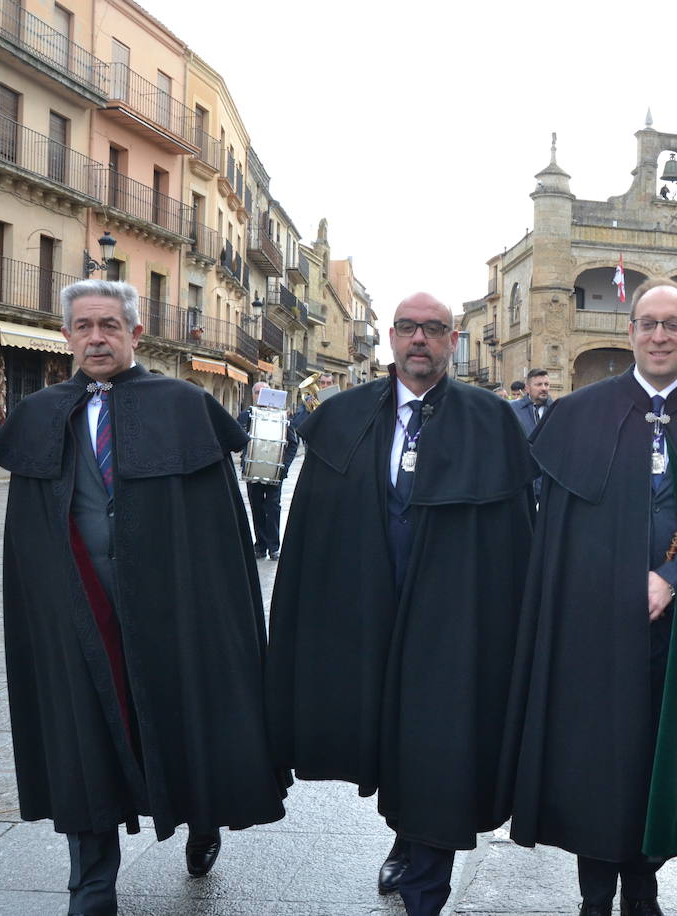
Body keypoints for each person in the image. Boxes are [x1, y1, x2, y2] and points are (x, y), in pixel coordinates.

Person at [0, 279, 287, 916]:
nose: (97, 337)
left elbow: (219, 531)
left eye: (110, 326)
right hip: (80, 609)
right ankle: (91, 883)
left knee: (182, 715)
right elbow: (30, 539)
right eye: (85, 326)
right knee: (84, 733)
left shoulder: (183, 405)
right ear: (66, 335)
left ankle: (201, 817)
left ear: (135, 334)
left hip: (172, 605)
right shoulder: (41, 414)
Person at [501, 277, 677, 916]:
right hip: (594, 628)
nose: (659, 335)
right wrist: (617, 579)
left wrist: (675, 577)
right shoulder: (577, 416)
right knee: (598, 757)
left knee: (668, 753)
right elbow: (560, 536)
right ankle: (596, 890)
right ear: (628, 330)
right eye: (647, 323)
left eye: (673, 324)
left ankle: (644, 882)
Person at [265, 292, 535, 915]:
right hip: (365, 605)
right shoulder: (342, 415)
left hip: (452, 614)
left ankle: (425, 883)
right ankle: (405, 837)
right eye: (409, 328)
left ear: (453, 339)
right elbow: (313, 526)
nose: (420, 339)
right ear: (390, 336)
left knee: (438, 738)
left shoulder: (490, 419)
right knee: (386, 733)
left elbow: (516, 533)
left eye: (433, 329)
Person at [237, 381, 300, 560]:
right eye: (257, 392)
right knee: (256, 507)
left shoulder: (282, 417)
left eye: (265, 392)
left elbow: (293, 444)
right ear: (254, 395)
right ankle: (260, 546)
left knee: (273, 507)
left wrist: (284, 467)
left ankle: (273, 547)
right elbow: (236, 436)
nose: (260, 395)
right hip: (253, 468)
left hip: (275, 471)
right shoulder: (247, 415)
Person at [510, 367, 553, 437]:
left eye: (546, 384)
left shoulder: (556, 409)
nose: (544, 388)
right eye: (539, 384)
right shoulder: (513, 409)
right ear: (527, 388)